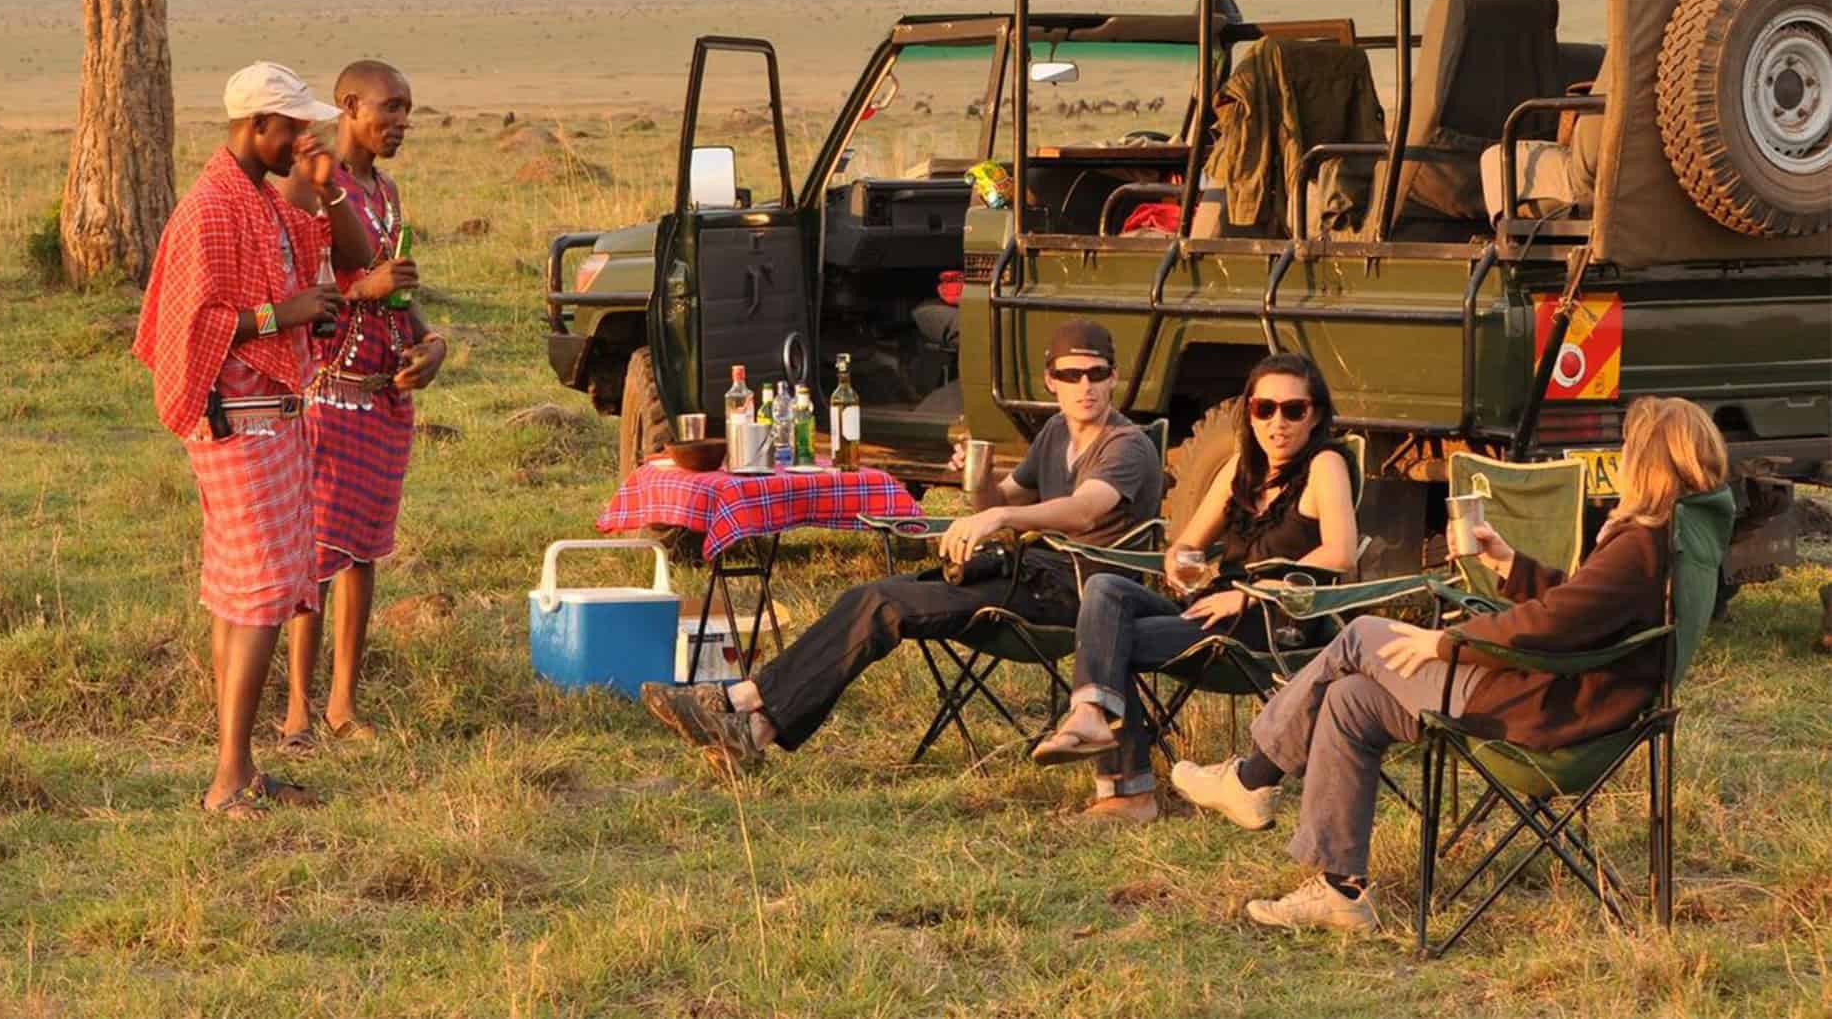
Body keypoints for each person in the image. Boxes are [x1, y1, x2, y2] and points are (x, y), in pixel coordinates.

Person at [1173, 395, 1728, 933]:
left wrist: (1446, 642)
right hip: (1564, 696)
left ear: (1649, 462)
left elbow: (1554, 623)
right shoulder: (1675, 536)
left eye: (1631, 449)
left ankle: (1252, 777)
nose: (1624, 461)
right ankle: (1341, 892)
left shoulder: (1642, 545)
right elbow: (1582, 607)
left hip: (1552, 716)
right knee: (1351, 701)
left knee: (1363, 633)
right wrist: (1509, 563)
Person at [641, 319, 1162, 769]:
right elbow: (997, 498)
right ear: (1051, 381)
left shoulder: (1126, 444)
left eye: (1096, 373)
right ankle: (752, 731)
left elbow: (1086, 508)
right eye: (1071, 374)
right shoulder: (1055, 433)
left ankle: (739, 700)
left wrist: (1003, 515)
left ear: (1114, 377)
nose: (1085, 386)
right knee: (869, 596)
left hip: (1083, 594)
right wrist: (977, 485)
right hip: (1027, 574)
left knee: (883, 604)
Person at [131, 62, 373, 819]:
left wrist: (327, 184)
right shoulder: (211, 210)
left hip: (271, 415)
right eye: (293, 128)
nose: (304, 137)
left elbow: (352, 256)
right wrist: (284, 316)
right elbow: (191, 323)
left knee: (243, 595)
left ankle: (241, 767)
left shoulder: (261, 202)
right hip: (240, 418)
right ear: (255, 127)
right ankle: (228, 778)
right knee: (262, 596)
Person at [1028, 351, 1360, 824]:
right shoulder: (1241, 469)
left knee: (1110, 642)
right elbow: (1185, 545)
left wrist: (1250, 592)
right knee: (1105, 587)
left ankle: (1129, 792)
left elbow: (1340, 553)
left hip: (1271, 623)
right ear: (1249, 412)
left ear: (1317, 415)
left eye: (1293, 410)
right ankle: (1092, 714)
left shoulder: (1326, 464)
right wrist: (1181, 565)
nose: (1277, 423)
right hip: (1211, 610)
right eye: (1264, 409)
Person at [278, 60, 448, 752]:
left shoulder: (386, 191)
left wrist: (430, 344)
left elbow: (398, 292)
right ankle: (295, 712)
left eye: (409, 110)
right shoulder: (312, 183)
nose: (403, 123)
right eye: (392, 108)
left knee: (363, 555)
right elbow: (288, 282)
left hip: (384, 398)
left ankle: (343, 706)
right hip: (328, 394)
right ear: (348, 105)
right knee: (316, 554)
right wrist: (361, 293)